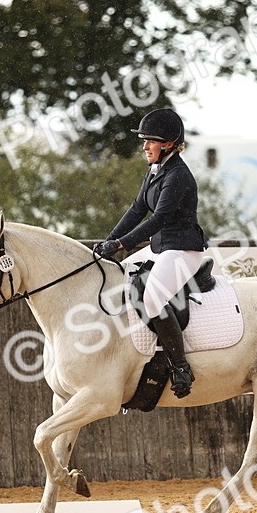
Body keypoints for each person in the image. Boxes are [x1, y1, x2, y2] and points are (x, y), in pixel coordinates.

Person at [93, 107, 208, 398]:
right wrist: (108, 241)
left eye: (150, 141)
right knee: (118, 275)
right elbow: (137, 210)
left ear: (167, 144)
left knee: (153, 297)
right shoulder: (155, 171)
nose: (144, 147)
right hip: (161, 249)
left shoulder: (179, 174)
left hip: (182, 249)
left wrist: (121, 245)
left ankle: (180, 366)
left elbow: (158, 219)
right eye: (144, 141)